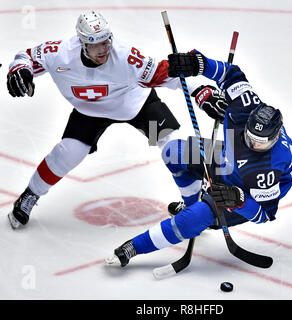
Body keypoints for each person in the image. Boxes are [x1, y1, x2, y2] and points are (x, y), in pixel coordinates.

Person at [6, 11, 215, 229]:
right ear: (82, 43)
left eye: (106, 41)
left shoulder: (125, 56)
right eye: (95, 45)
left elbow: (166, 75)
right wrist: (19, 70)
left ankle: (194, 204)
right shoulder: (60, 53)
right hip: (91, 112)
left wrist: (200, 91)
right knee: (67, 153)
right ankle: (30, 195)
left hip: (136, 105)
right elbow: (26, 57)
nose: (104, 49)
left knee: (172, 145)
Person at [106, 50, 292, 268]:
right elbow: (230, 74)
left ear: (274, 137)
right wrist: (199, 64)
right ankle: (192, 203)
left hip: (246, 190)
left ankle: (136, 246)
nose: (254, 144)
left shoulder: (271, 167)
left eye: (261, 143)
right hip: (228, 157)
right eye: (250, 137)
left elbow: (264, 214)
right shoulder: (245, 105)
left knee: (193, 219)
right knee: (172, 152)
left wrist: (238, 199)